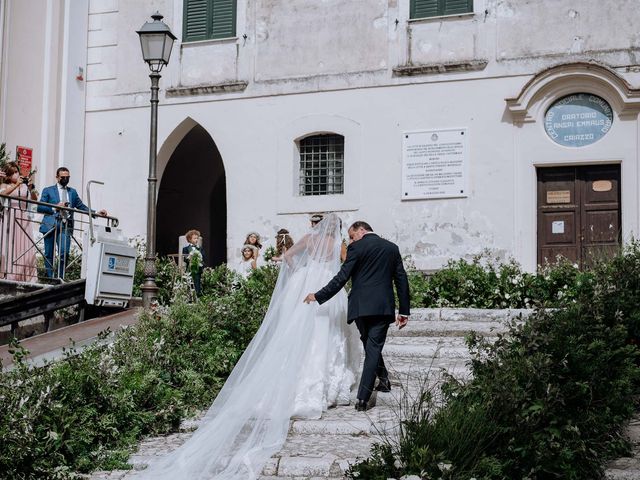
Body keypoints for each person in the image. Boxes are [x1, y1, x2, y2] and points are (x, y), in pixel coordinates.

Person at [138, 213, 359, 479]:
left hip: (306, 291)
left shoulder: (309, 239)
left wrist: (300, 274)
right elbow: (350, 269)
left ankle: (297, 385)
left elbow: (288, 257)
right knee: (328, 337)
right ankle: (326, 389)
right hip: (329, 294)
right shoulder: (340, 247)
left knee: (298, 338)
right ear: (339, 229)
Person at [304, 220, 410, 412]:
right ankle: (383, 379)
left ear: (361, 230)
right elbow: (401, 279)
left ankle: (363, 397)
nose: (351, 240)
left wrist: (318, 295)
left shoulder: (356, 248)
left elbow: (342, 277)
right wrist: (404, 311)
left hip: (360, 307)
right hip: (382, 307)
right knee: (373, 345)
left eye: (352, 236)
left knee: (371, 346)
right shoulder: (392, 248)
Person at [37, 167, 107, 278]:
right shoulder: (48, 190)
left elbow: (81, 206)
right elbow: (40, 207)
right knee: (48, 254)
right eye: (63, 177)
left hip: (66, 226)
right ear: (57, 177)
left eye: (67, 177)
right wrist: (56, 207)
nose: (65, 179)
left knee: (64, 253)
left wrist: (96, 213)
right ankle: (50, 277)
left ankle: (60, 277)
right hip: (50, 224)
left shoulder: (72, 192)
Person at [0, 162, 38, 282]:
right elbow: (2, 194)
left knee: (24, 246)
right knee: (10, 244)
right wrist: (16, 185)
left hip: (23, 216)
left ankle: (26, 275)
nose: (17, 174)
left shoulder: (24, 186)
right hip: (10, 216)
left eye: (17, 171)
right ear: (9, 175)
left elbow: (34, 199)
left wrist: (32, 188)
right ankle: (9, 274)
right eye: (14, 172)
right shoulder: (4, 185)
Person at [182, 229, 204, 296]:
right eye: (194, 238)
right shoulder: (185, 248)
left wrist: (199, 259)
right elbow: (184, 258)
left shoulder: (200, 248)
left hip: (197, 270)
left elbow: (203, 256)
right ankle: (189, 297)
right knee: (189, 284)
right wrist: (190, 258)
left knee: (197, 284)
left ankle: (197, 296)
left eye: (197, 238)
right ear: (189, 239)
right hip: (189, 269)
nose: (196, 240)